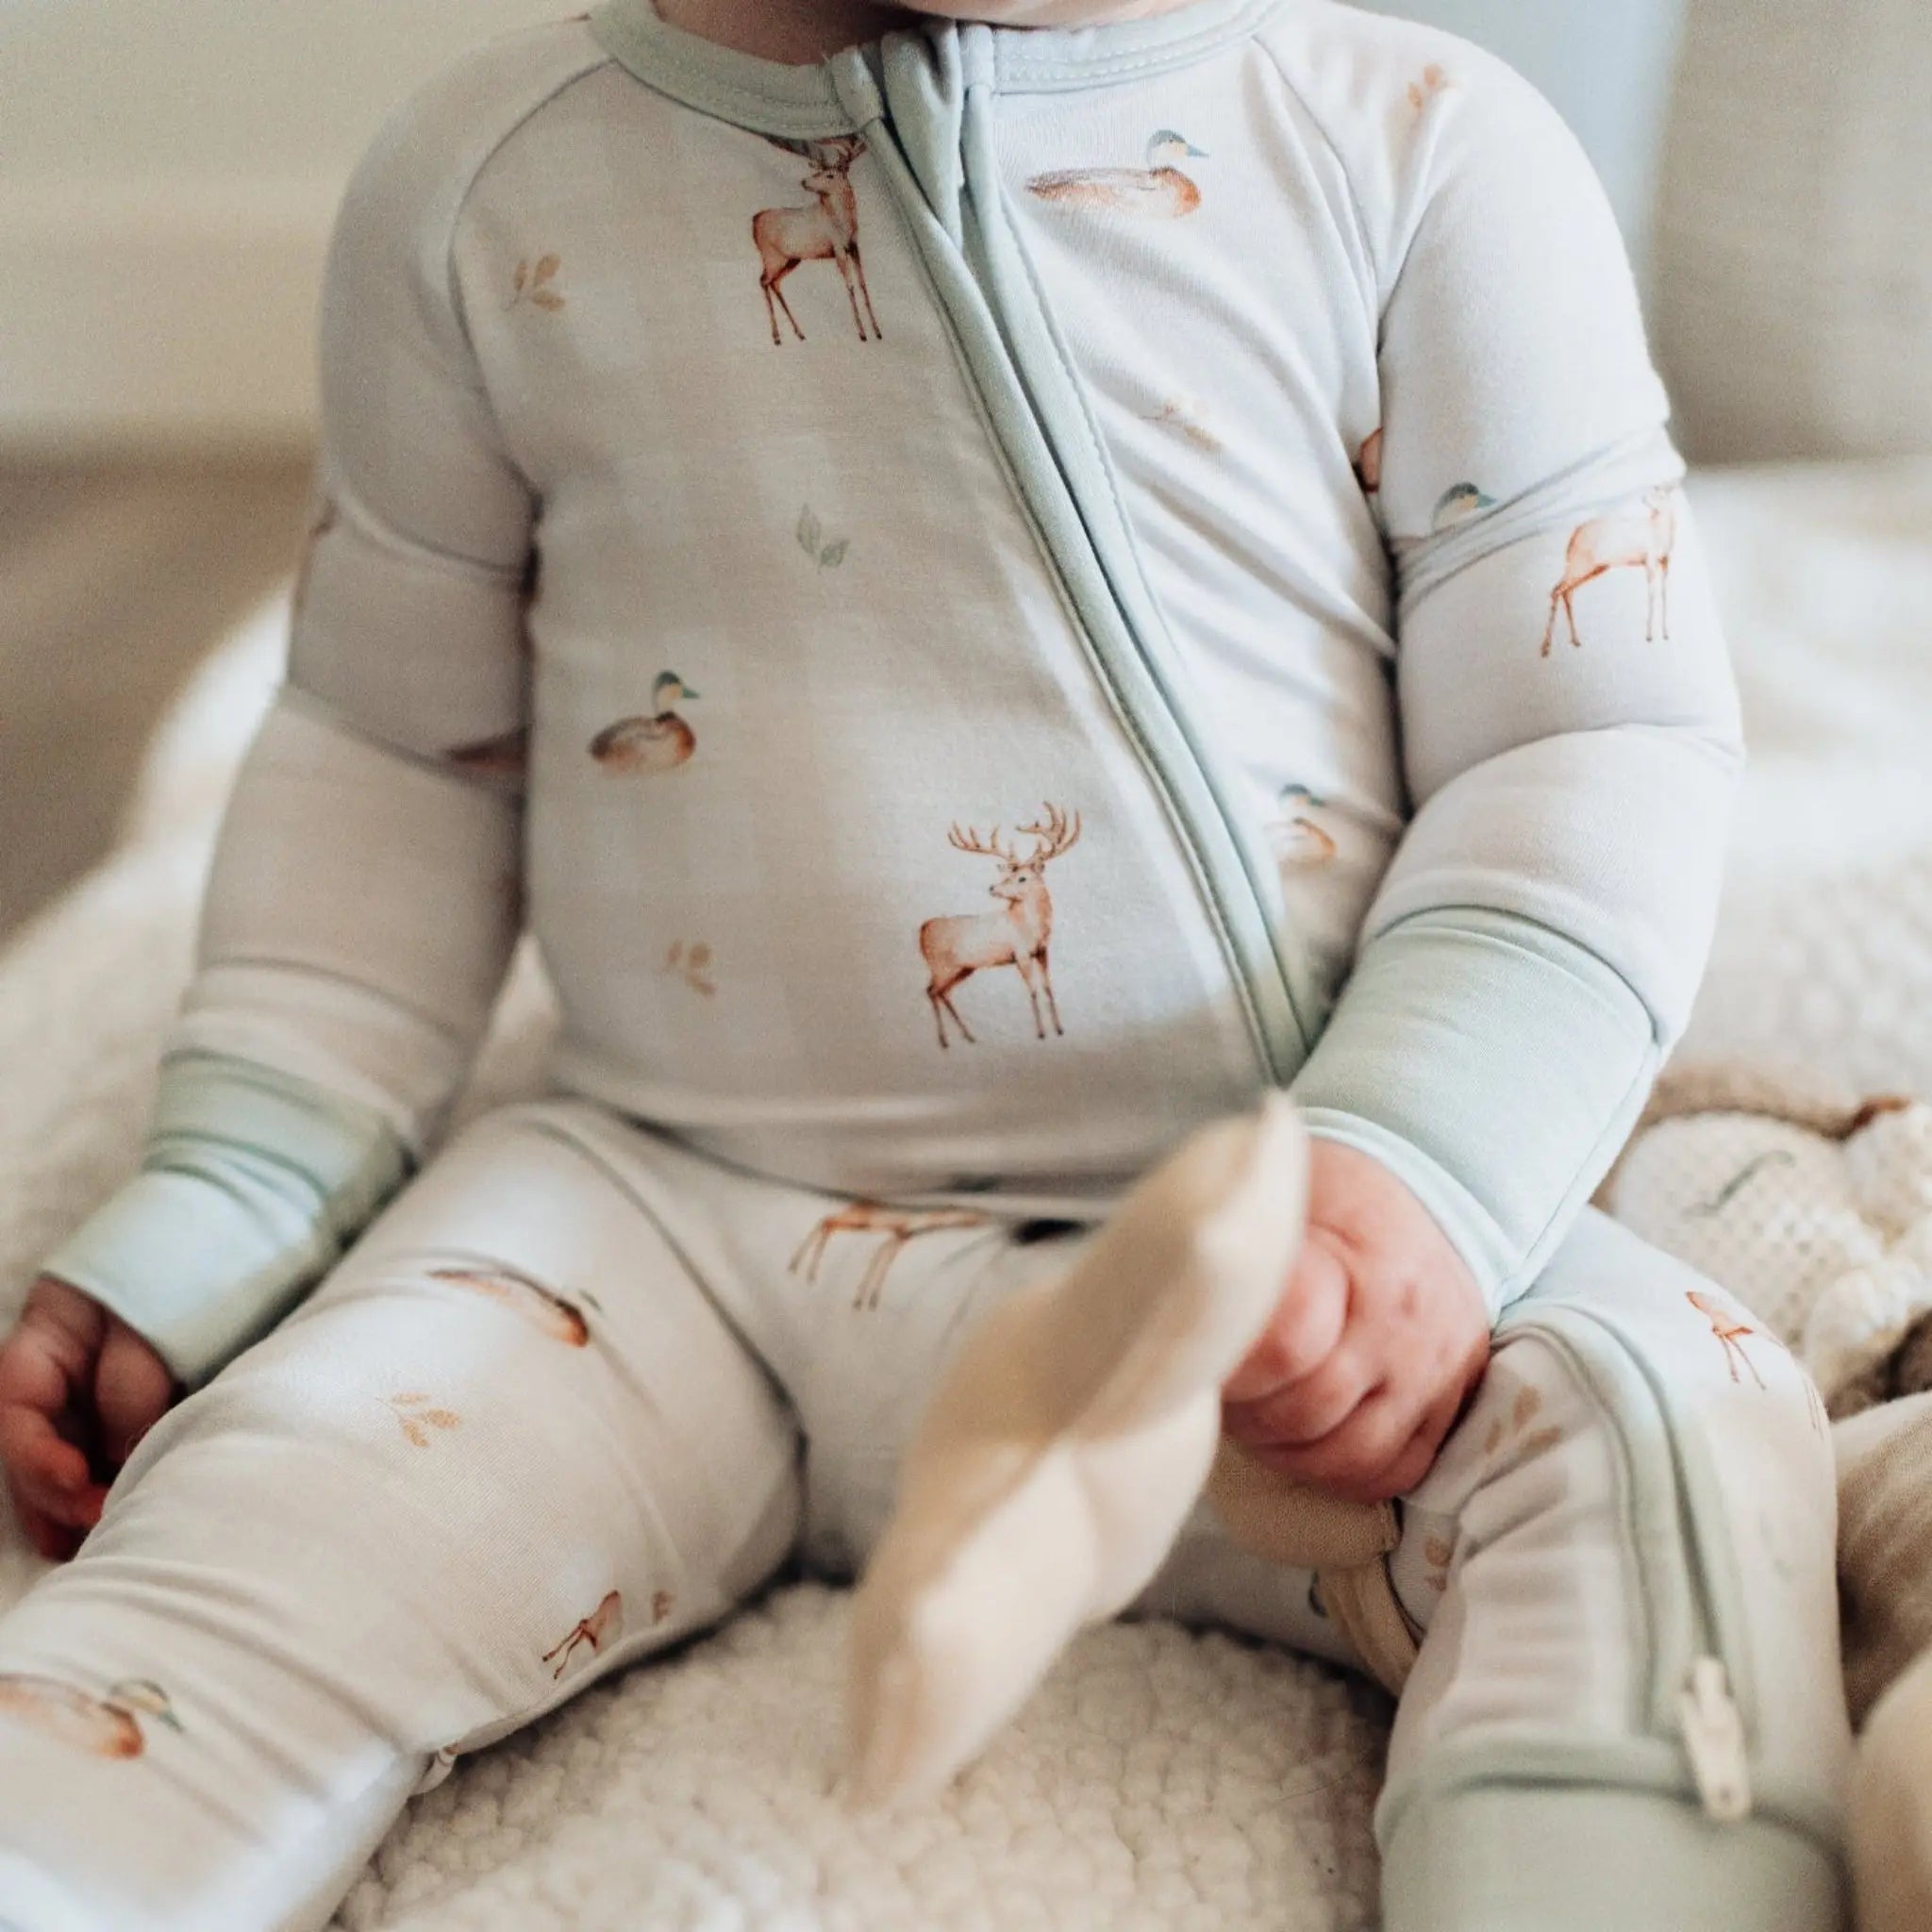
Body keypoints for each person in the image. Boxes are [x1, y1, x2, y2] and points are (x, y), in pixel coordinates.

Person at [0, 2, 1851, 1925]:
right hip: (673, 1227)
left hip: (1260, 1272)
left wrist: (1419, 1174)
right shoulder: (481, 194)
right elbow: (391, 751)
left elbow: (1586, 736)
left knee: (1666, 1418)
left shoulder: (1420, 146)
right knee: (277, 1487)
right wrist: (240, 1182)